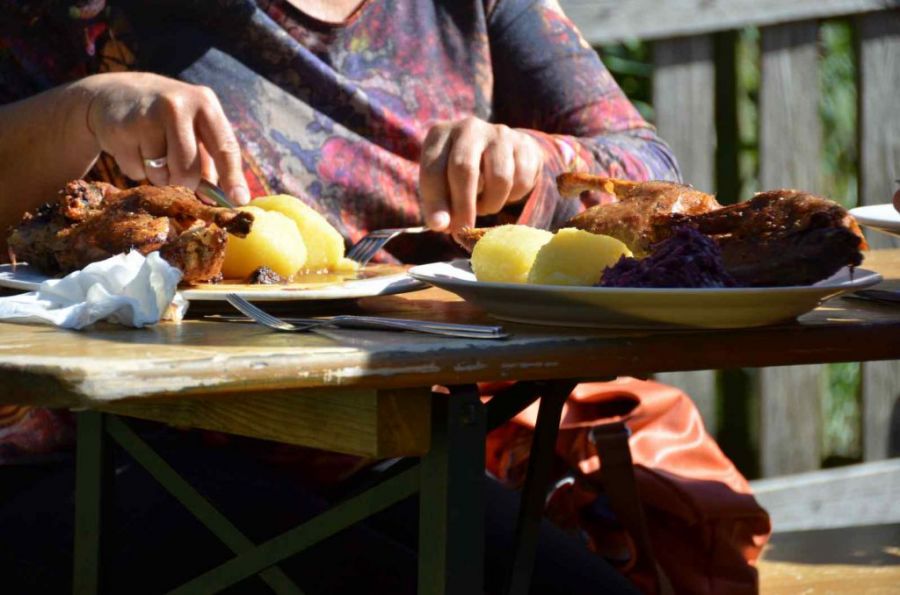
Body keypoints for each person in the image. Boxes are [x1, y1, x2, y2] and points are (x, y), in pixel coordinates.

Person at [0, 1, 720, 593]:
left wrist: (540, 159)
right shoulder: (76, 17)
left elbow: (652, 169)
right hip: (126, 449)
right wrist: (81, 112)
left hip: (398, 443)